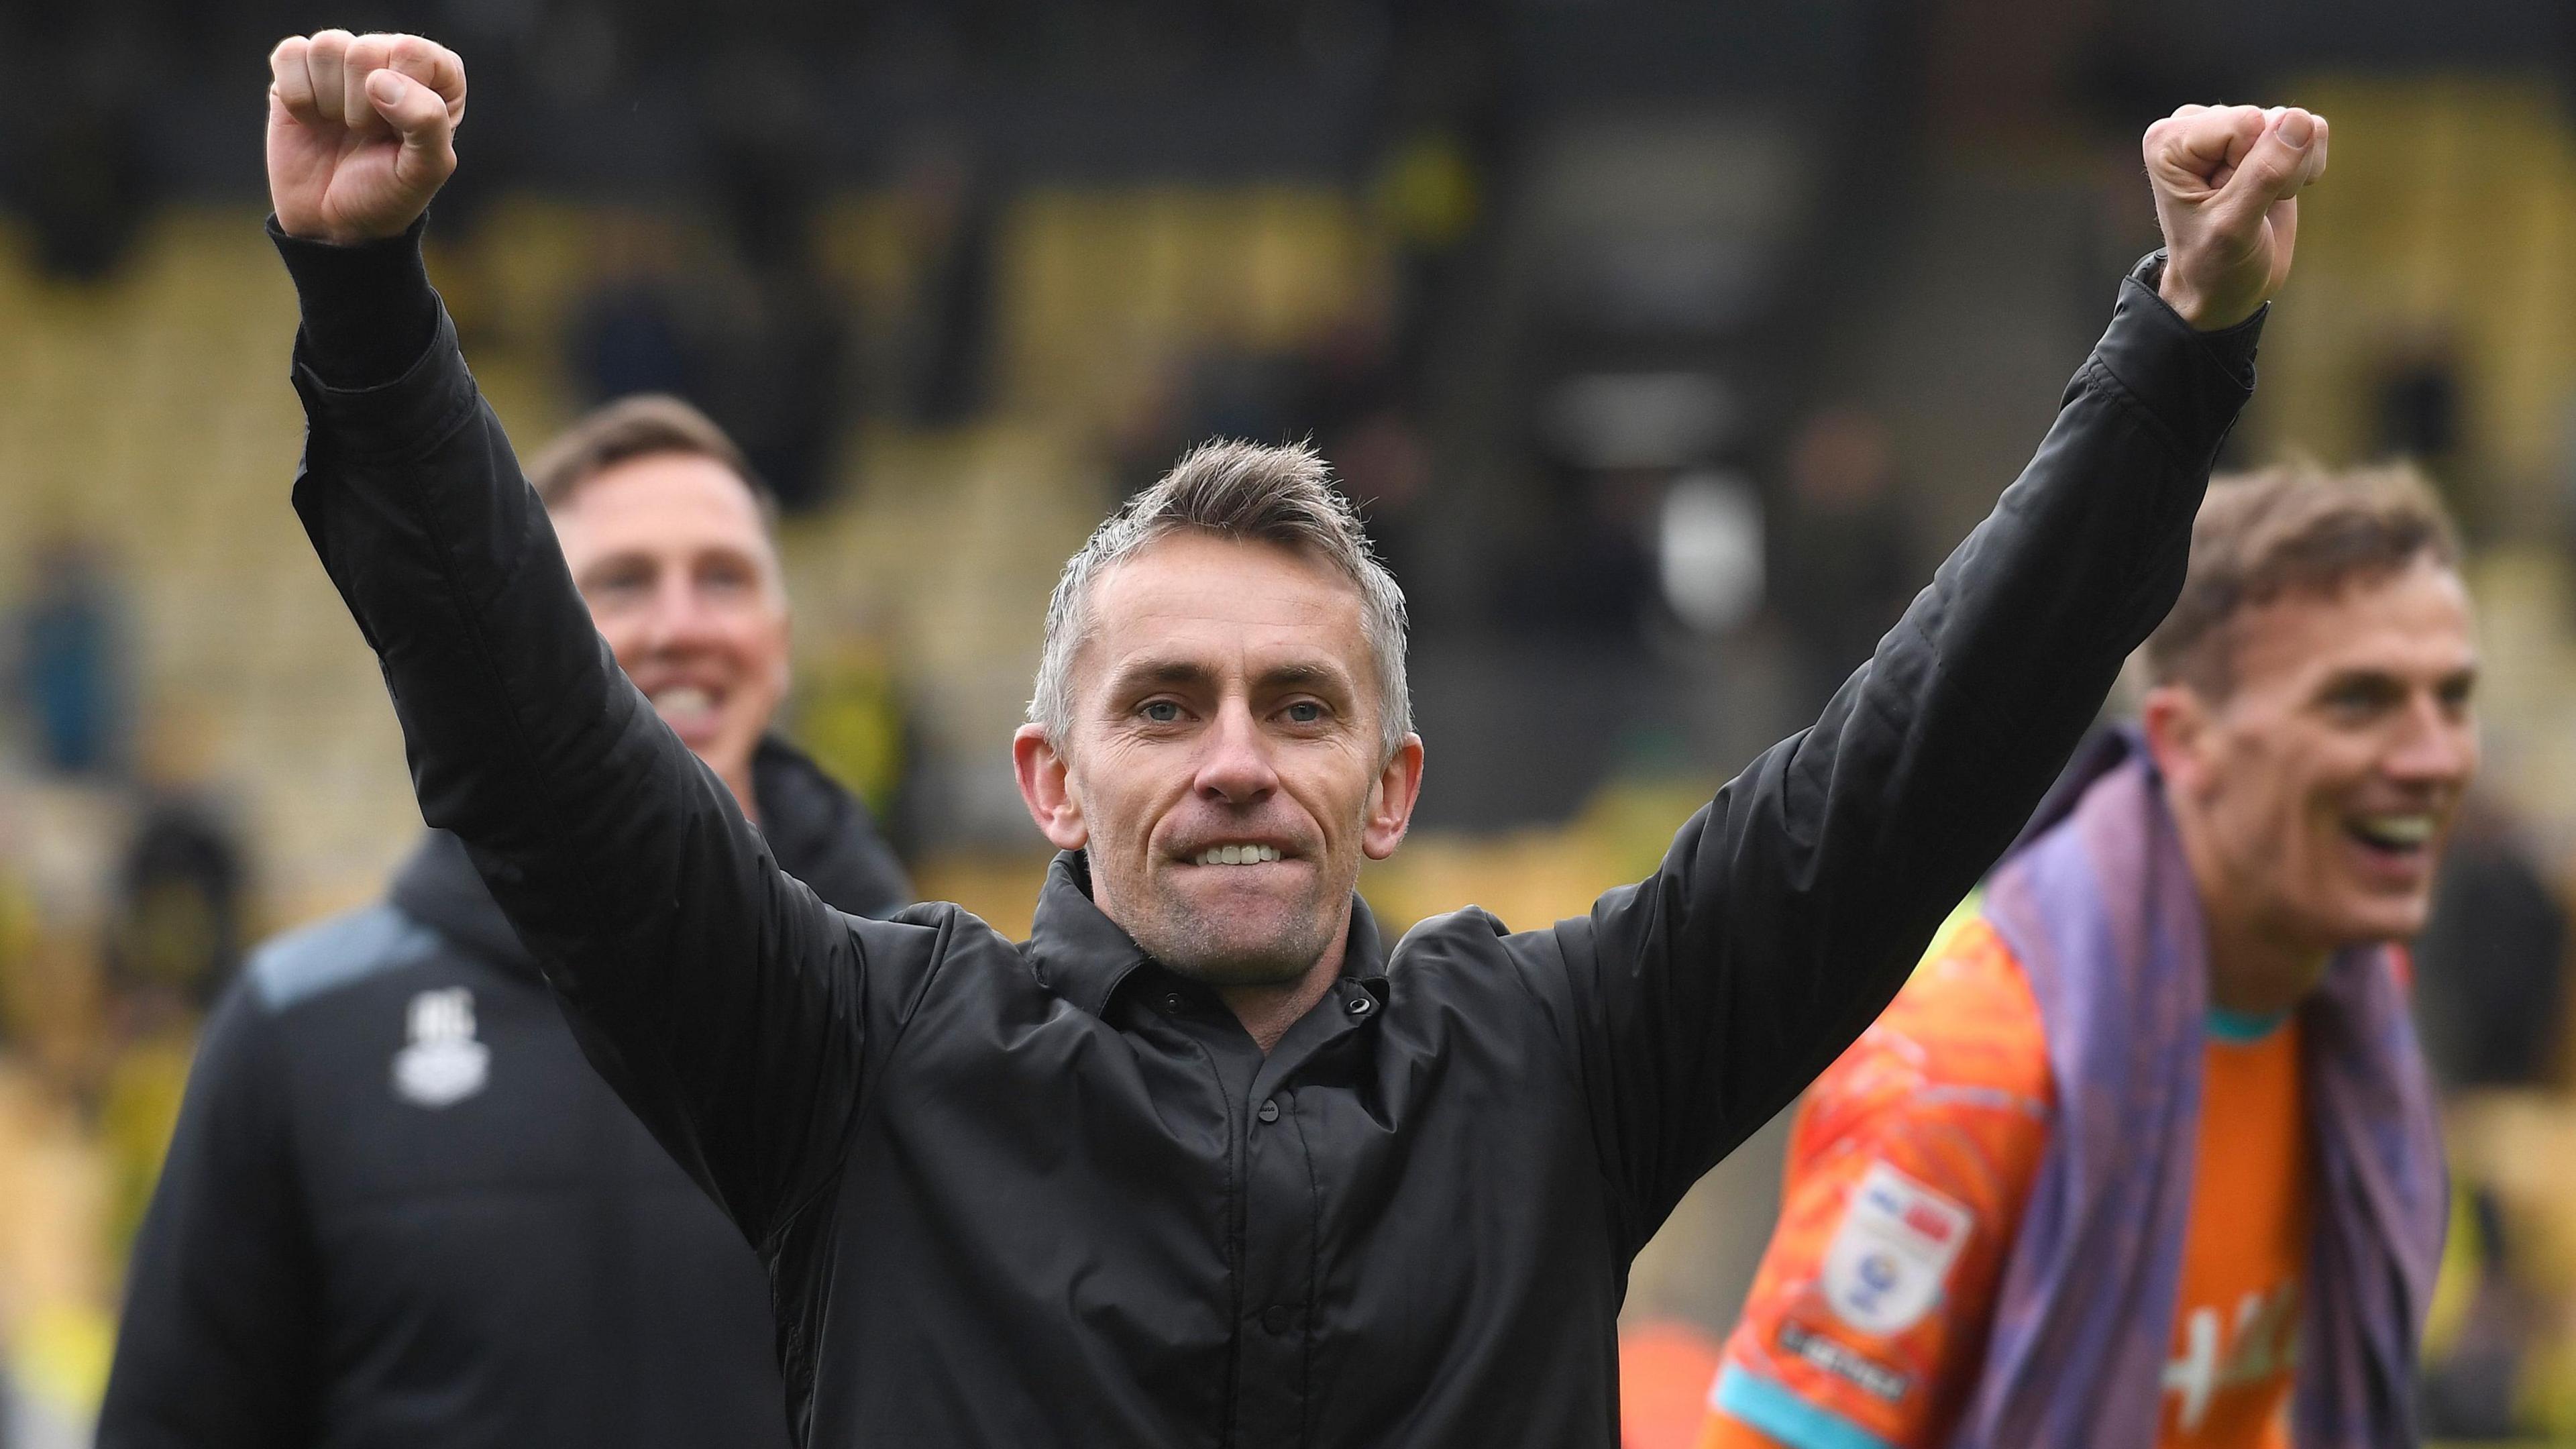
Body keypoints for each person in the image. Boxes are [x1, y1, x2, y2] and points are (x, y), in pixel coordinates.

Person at [252, 30, 2324, 1444]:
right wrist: (366, 310)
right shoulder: (858, 1066)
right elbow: (541, 747)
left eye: (1298, 705)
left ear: (1392, 785)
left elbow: (1915, 765)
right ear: (1053, 784)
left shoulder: (1561, 1062)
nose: (1235, 755)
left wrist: (2174, 351)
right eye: (1163, 706)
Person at [96, 396, 912, 1448]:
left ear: (780, 640)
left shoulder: (917, 1014)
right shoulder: (300, 1029)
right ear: (530, 643)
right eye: (621, 583)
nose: (679, 625)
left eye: (724, 578)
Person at [1697, 462, 2467, 1448]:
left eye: (2451, 698)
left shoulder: (2353, 998)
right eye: (2359, 702)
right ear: (2184, 741)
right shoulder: (1965, 1078)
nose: (2435, 756)